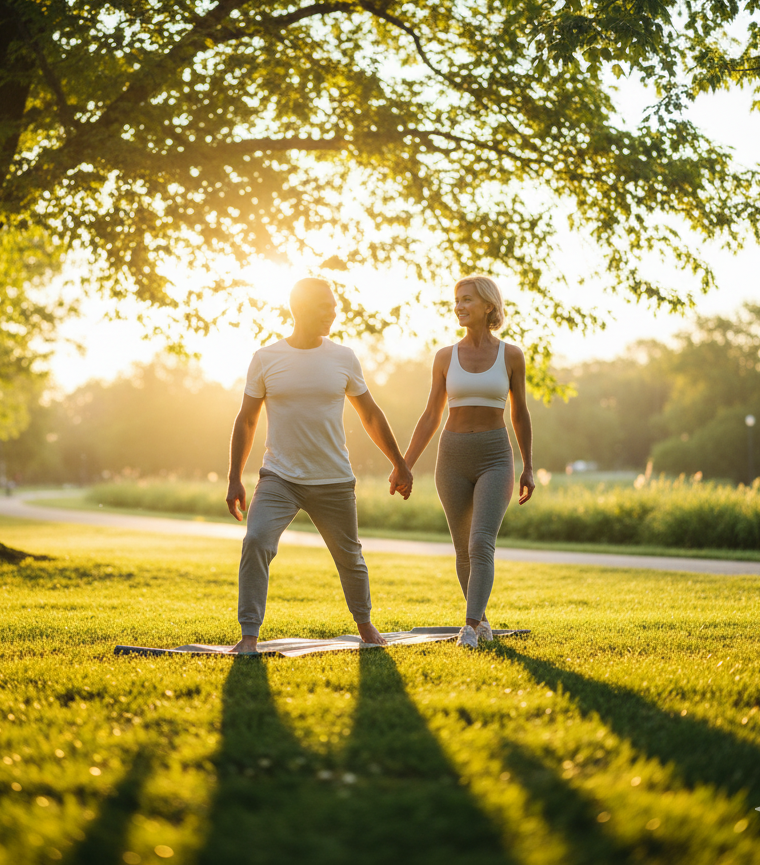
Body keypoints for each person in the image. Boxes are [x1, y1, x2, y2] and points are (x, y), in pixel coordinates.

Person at [225, 278, 413, 653]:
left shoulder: (343, 357)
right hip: (279, 477)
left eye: (334, 304)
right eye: (326, 305)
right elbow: (246, 420)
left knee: (350, 557)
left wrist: (400, 463)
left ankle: (365, 625)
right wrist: (234, 478)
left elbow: (371, 414)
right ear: (301, 309)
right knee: (256, 540)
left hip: (333, 478)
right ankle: (249, 635)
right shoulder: (266, 358)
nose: (334, 311)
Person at [403, 276, 534, 648]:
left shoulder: (511, 355)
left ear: (489, 306)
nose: (459, 306)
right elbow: (431, 415)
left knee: (481, 543)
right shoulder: (445, 356)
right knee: (463, 549)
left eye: (467, 300)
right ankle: (483, 621)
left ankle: (470, 626)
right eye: (456, 300)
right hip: (452, 456)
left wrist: (527, 466)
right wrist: (406, 464)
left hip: (495, 455)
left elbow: (520, 414)